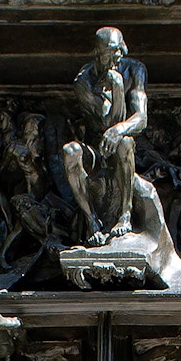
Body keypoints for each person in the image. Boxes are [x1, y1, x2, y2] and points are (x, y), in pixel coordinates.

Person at [63, 27, 149, 246]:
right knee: (70, 151)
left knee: (125, 142)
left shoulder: (136, 70)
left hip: (119, 146)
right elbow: (104, 122)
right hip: (95, 149)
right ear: (97, 52)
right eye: (109, 52)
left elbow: (141, 117)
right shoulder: (83, 80)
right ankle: (91, 220)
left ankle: (125, 214)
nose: (116, 57)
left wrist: (119, 129)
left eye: (119, 51)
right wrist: (117, 88)